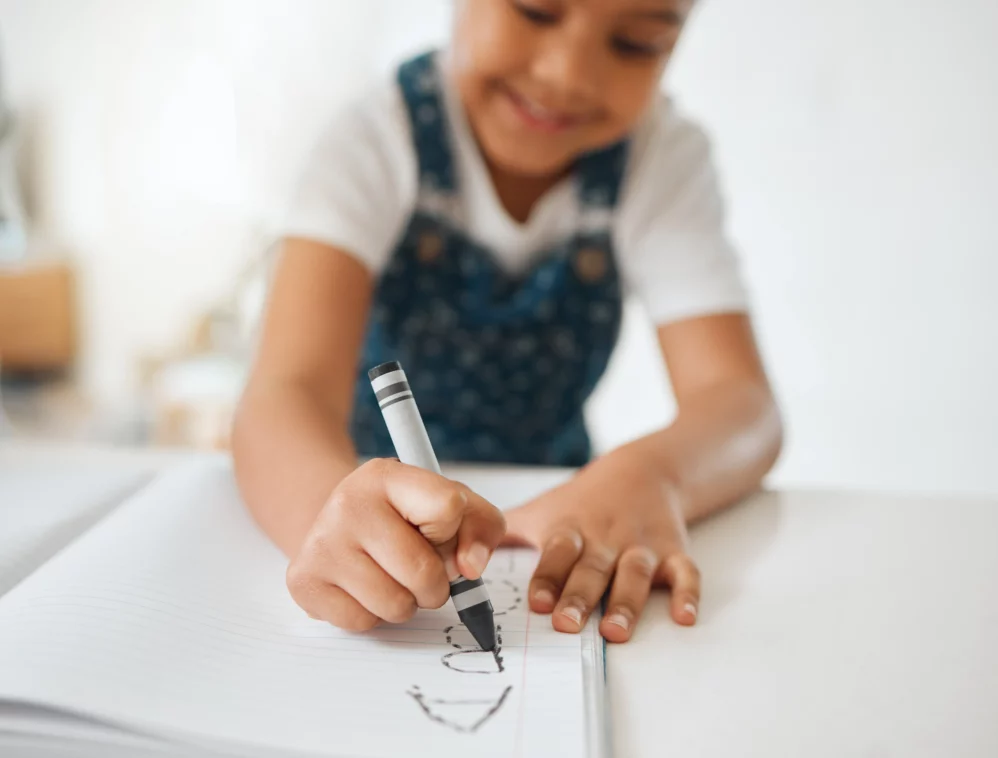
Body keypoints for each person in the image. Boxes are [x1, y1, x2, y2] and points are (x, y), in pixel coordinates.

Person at [232, 0, 783, 644]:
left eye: (635, 43)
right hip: (377, 515)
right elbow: (282, 393)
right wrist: (322, 516)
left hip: (562, 519)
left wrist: (652, 477)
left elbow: (742, 405)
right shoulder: (374, 139)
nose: (567, 74)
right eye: (535, 11)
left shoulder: (661, 158)